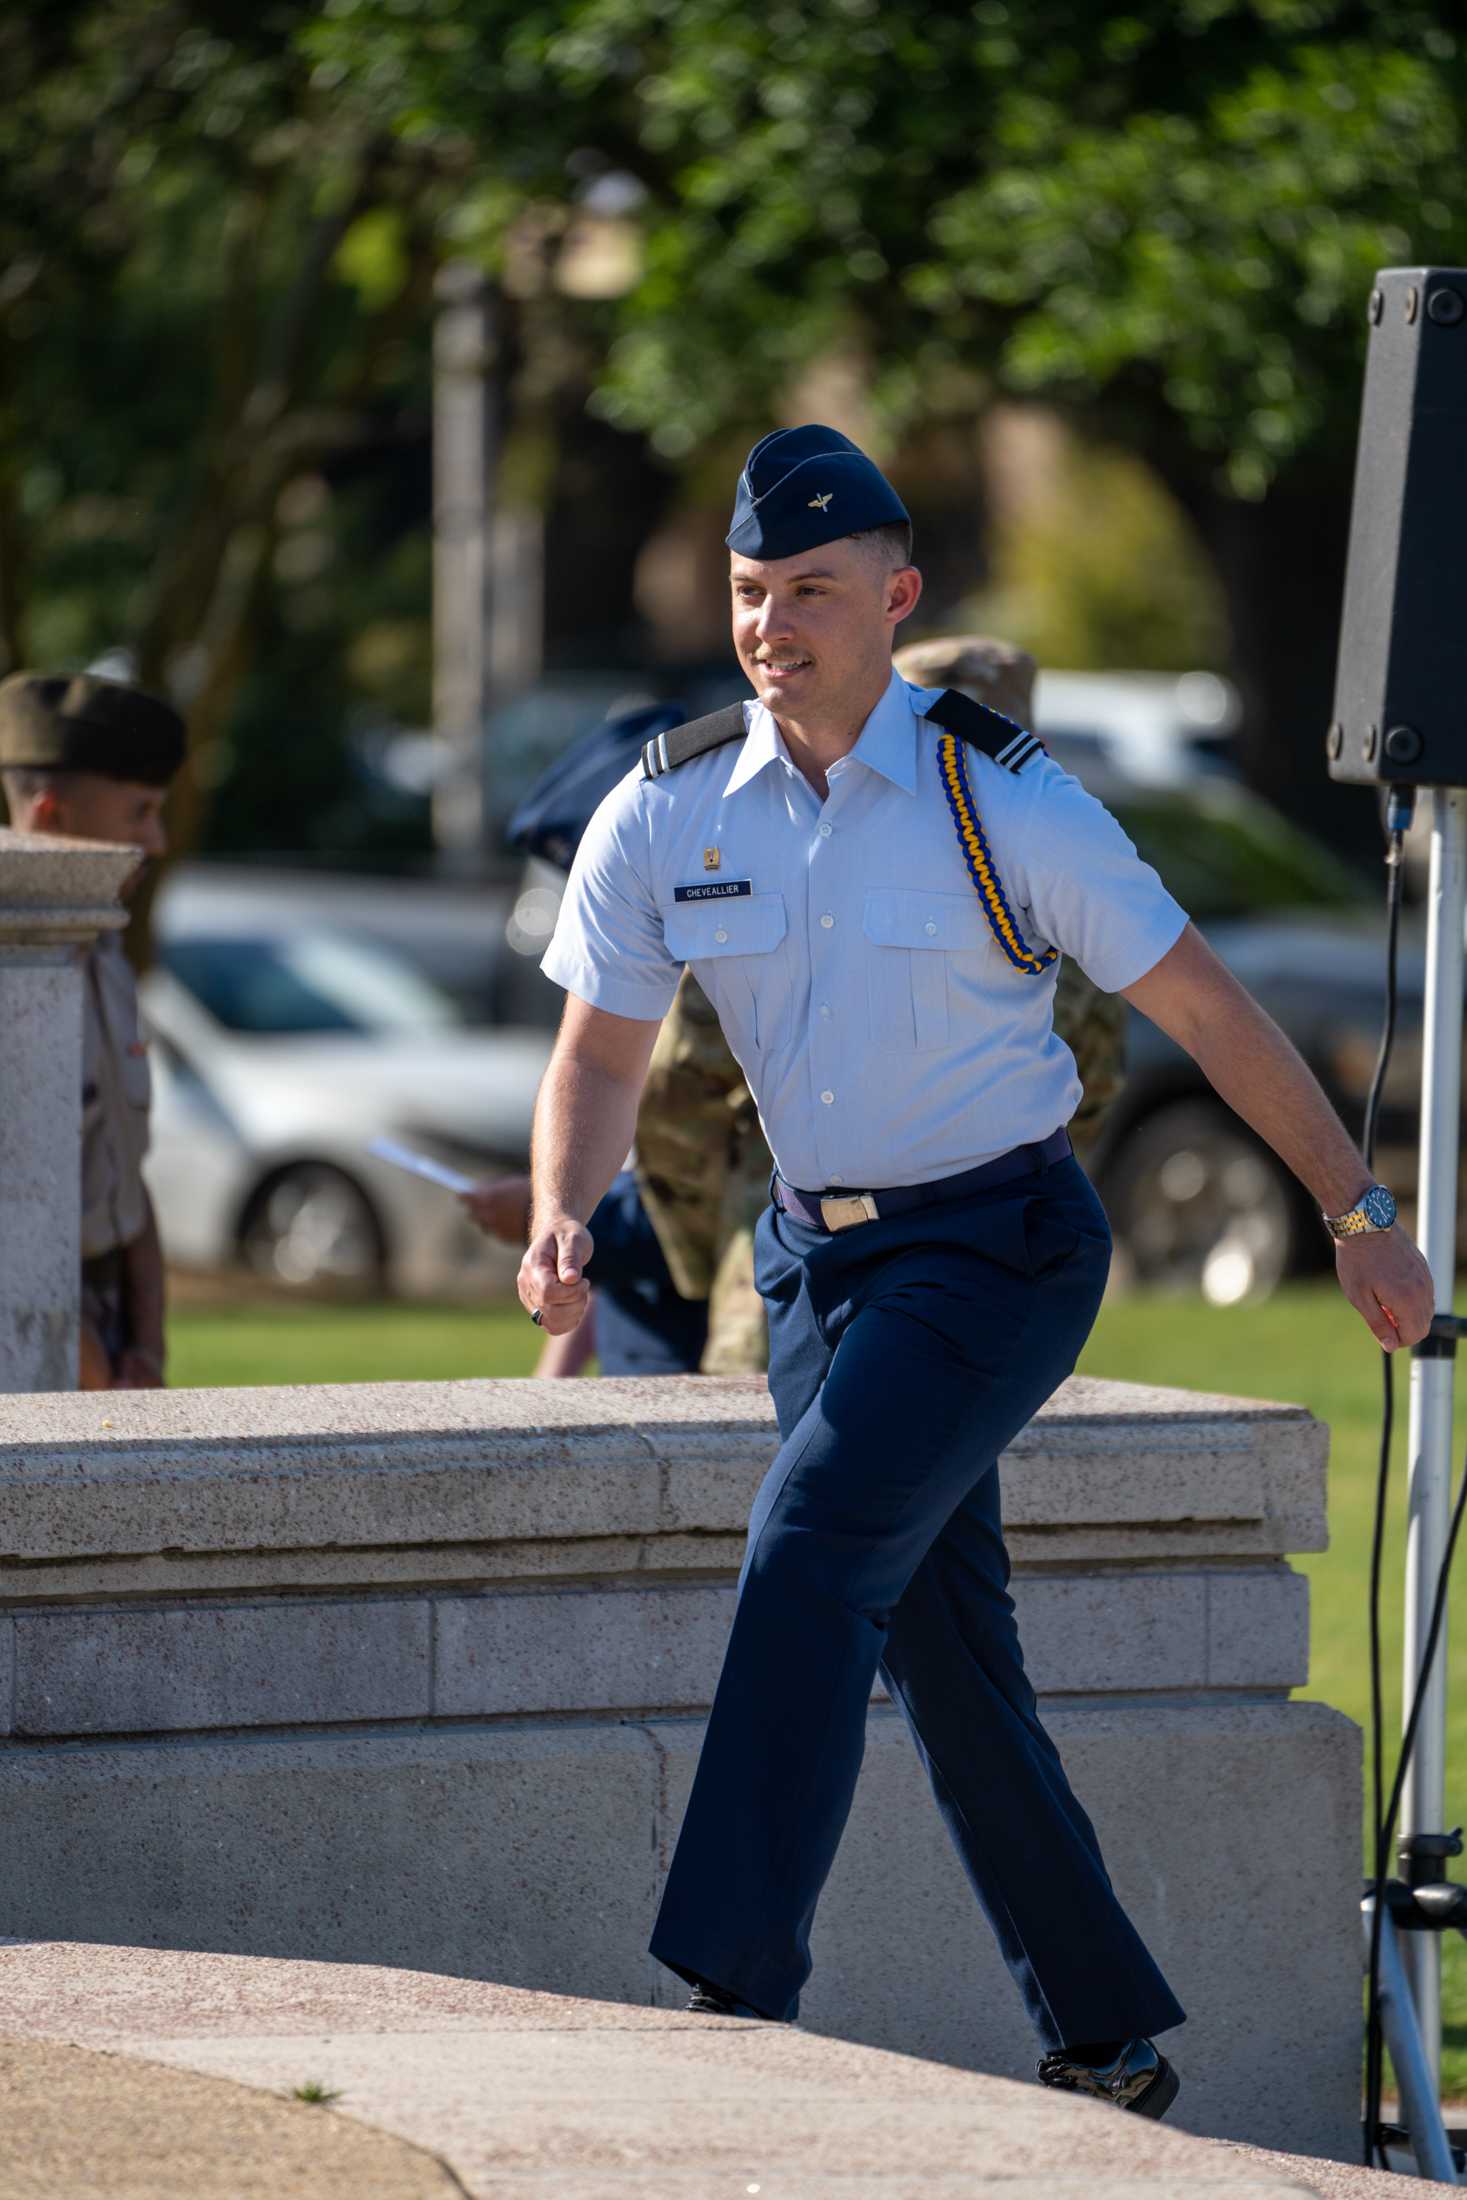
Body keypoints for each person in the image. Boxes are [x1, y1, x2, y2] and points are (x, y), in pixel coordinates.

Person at [519, 423, 1433, 2118]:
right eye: (745, 592)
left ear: (897, 595)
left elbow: (1209, 1013)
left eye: (808, 589)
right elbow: (595, 1055)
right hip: (815, 1268)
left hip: (995, 1247)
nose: (769, 623)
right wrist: (563, 1214)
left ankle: (721, 1991)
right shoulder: (667, 804)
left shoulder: (997, 794)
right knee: (944, 1658)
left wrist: (1353, 1215)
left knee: (804, 1546)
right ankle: (1106, 2034)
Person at [0, 671, 184, 1390]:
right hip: (29, 1323)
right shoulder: (15, 983)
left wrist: (148, 1348)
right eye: (139, 813)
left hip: (104, 1325)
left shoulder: (106, 959)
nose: (158, 840)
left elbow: (123, 1180)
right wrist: (75, 1352)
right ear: (49, 820)